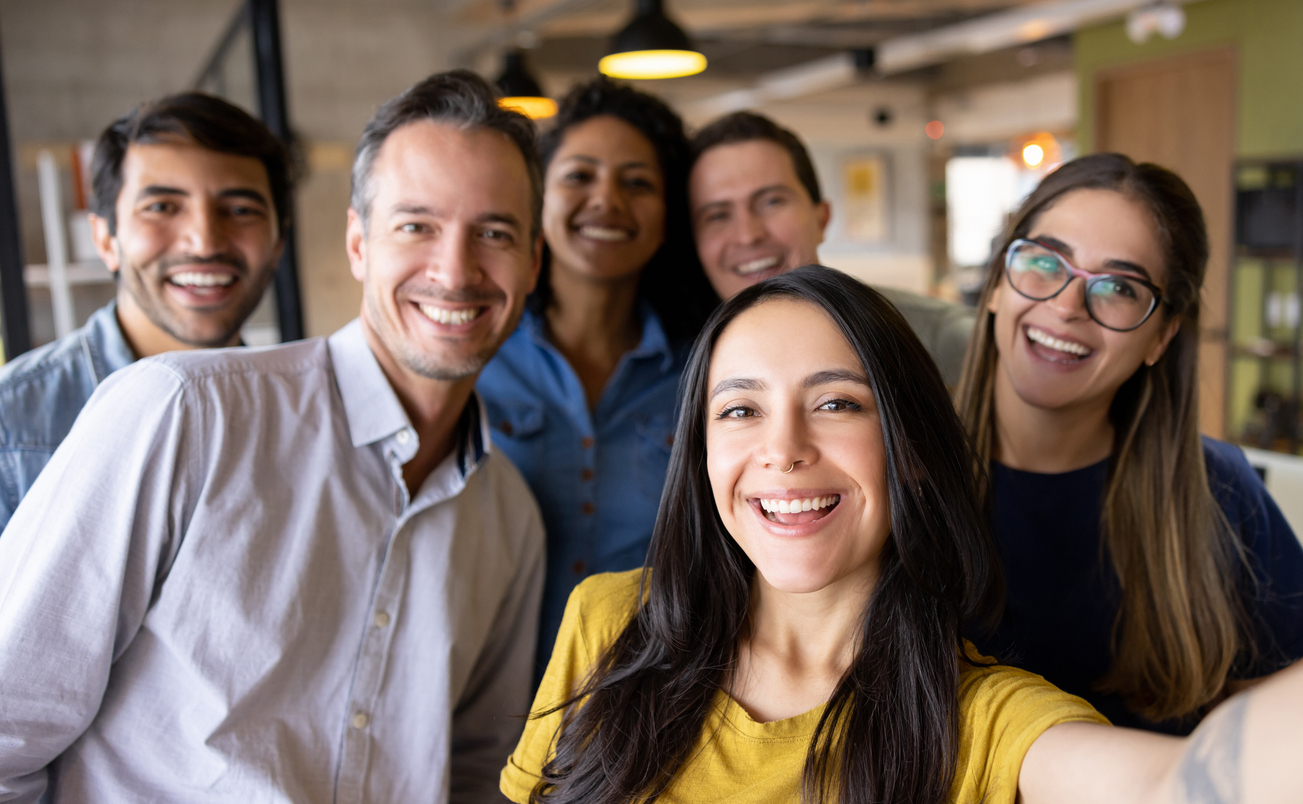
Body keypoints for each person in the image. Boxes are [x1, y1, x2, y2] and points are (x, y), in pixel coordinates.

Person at [502, 266, 1303, 804]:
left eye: (837, 403)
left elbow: (1176, 787)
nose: (782, 449)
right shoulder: (608, 623)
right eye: (740, 410)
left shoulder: (984, 718)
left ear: (910, 450)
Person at [0, 71, 545, 803]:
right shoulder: (181, 414)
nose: (453, 271)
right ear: (358, 243)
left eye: (494, 232)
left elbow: (479, 774)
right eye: (416, 225)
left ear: (534, 261)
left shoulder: (509, 516)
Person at [956, 154, 1303, 734]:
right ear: (996, 283)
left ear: (1161, 336)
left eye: (1117, 286)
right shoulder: (892, 463)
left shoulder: (1218, 490)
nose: (1066, 307)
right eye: (1044, 261)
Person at [477, 76, 717, 671]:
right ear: (537, 200)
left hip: (654, 709)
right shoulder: (476, 360)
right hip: (491, 709)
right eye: (579, 176)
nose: (607, 200)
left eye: (637, 183)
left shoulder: (709, 373)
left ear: (669, 216)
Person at [0, 92, 290, 529]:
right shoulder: (13, 427)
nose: (205, 241)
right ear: (105, 240)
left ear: (278, 243)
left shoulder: (300, 417)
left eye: (239, 209)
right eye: (162, 207)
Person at [688, 110, 973, 386]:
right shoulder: (677, 368)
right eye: (717, 215)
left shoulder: (939, 339)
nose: (748, 235)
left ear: (822, 218)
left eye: (772, 202)